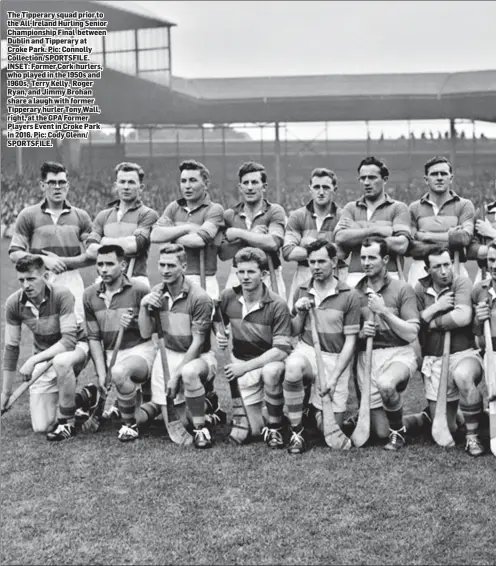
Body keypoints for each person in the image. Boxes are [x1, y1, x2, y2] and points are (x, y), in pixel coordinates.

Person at [283, 240, 361, 454]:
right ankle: (296, 432)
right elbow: (294, 331)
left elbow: (351, 342)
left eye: (321, 261)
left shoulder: (349, 295)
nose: (316, 267)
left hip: (336, 358)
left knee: (327, 426)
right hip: (308, 351)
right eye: (312, 262)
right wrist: (299, 312)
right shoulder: (302, 289)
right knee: (293, 367)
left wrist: (334, 378)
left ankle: (310, 410)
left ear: (334, 262)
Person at [1, 255, 89, 440]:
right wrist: (5, 393)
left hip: (76, 348)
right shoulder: (13, 303)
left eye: (31, 278)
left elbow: (68, 342)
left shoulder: (62, 294)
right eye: (21, 280)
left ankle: (67, 423)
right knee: (42, 426)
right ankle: (85, 397)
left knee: (61, 361)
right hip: (45, 354)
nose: (26, 285)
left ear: (46, 277)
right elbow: (11, 349)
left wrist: (33, 360)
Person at [138, 243, 218, 449]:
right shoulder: (156, 292)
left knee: (189, 373)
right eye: (162, 265)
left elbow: (198, 343)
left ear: (183, 267)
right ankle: (207, 403)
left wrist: (176, 376)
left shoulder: (200, 298)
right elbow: (146, 333)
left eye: (171, 266)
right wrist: (144, 307)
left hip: (198, 356)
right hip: (167, 354)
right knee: (179, 424)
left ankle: (201, 429)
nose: (165, 270)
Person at [215, 247, 292, 445]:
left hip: (267, 362)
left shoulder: (278, 304)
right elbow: (216, 319)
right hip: (242, 361)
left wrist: (244, 368)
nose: (245, 277)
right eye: (240, 272)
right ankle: (268, 413)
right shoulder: (227, 297)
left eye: (251, 272)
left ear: (264, 274)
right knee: (254, 431)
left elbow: (281, 350)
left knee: (272, 371)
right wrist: (219, 332)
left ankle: (275, 426)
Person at [349, 237, 420, 450]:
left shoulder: (402, 288)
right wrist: (361, 333)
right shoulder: (354, 293)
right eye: (363, 258)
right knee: (380, 432)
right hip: (368, 359)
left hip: (399, 353)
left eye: (372, 257)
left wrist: (383, 312)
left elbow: (411, 333)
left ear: (385, 259)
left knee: (387, 385)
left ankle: (397, 434)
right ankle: (419, 419)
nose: (366, 262)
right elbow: (350, 336)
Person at [414, 247, 484, 456]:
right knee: (449, 429)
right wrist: (438, 307)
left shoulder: (461, 282)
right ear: (427, 269)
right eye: (438, 267)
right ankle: (462, 415)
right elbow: (415, 323)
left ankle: (472, 437)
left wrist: (432, 322)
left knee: (463, 376)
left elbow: (462, 317)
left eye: (447, 265)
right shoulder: (419, 288)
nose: (445, 271)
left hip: (463, 354)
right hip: (435, 359)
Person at [83, 245, 156, 442]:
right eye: (100, 264)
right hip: (109, 351)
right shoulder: (89, 295)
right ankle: (94, 395)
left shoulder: (140, 290)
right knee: (111, 374)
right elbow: (94, 338)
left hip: (139, 349)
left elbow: (152, 329)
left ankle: (129, 425)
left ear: (123, 265)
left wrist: (134, 321)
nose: (103, 269)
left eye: (109, 264)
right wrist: (100, 372)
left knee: (119, 373)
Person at [8, 161, 93, 323]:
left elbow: (93, 255)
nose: (57, 187)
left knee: (75, 328)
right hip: (39, 278)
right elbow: (14, 253)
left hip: (70, 279)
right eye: (52, 183)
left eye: (61, 182)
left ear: (68, 186)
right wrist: (44, 260)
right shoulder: (28, 215)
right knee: (45, 332)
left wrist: (63, 262)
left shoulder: (81, 216)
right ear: (42, 185)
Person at [151, 160, 225, 300]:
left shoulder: (214, 209)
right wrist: (187, 228)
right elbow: (154, 235)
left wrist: (170, 235)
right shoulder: (174, 207)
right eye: (183, 181)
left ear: (206, 184)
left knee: (205, 320)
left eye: (192, 180)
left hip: (204, 278)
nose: (187, 186)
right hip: (175, 277)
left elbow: (198, 240)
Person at [334, 156, 411, 288]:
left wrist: (357, 230)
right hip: (356, 276)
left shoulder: (398, 208)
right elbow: (341, 238)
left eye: (372, 177)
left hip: (390, 275)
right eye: (363, 178)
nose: (366, 182)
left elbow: (401, 245)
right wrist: (377, 230)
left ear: (385, 179)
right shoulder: (351, 208)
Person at [85, 162, 159, 289]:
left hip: (135, 278)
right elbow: (90, 250)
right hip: (105, 278)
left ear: (140, 187)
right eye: (122, 182)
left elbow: (134, 246)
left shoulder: (148, 214)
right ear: (116, 185)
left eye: (131, 182)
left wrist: (104, 240)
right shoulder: (103, 215)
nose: (126, 187)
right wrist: (123, 242)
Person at [219, 161, 286, 297]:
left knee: (274, 316)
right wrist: (253, 236)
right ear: (240, 187)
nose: (250, 187)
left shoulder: (274, 211)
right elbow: (223, 254)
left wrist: (239, 234)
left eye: (255, 183)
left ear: (264, 186)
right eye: (246, 183)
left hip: (268, 273)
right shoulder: (230, 215)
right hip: (238, 274)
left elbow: (273, 243)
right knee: (235, 316)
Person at [408, 156, 475, 289]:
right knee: (420, 308)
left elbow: (464, 238)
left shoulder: (464, 205)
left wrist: (427, 236)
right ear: (426, 179)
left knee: (458, 307)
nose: (439, 177)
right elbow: (411, 247)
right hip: (421, 267)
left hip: (455, 265)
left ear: (451, 178)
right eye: (434, 174)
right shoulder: (414, 208)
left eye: (444, 173)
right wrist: (450, 238)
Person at [282, 167, 344, 309]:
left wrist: (308, 244)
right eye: (317, 187)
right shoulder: (297, 216)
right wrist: (327, 249)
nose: (321, 192)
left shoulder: (343, 216)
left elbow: (343, 253)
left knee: (334, 322)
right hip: (304, 273)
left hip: (336, 274)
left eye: (326, 187)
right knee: (299, 321)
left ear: (334, 189)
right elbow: (288, 252)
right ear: (310, 188)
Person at [467, 179, 496, 284]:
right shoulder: (483, 213)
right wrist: (480, 250)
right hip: (485, 273)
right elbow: (469, 245)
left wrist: (491, 233)